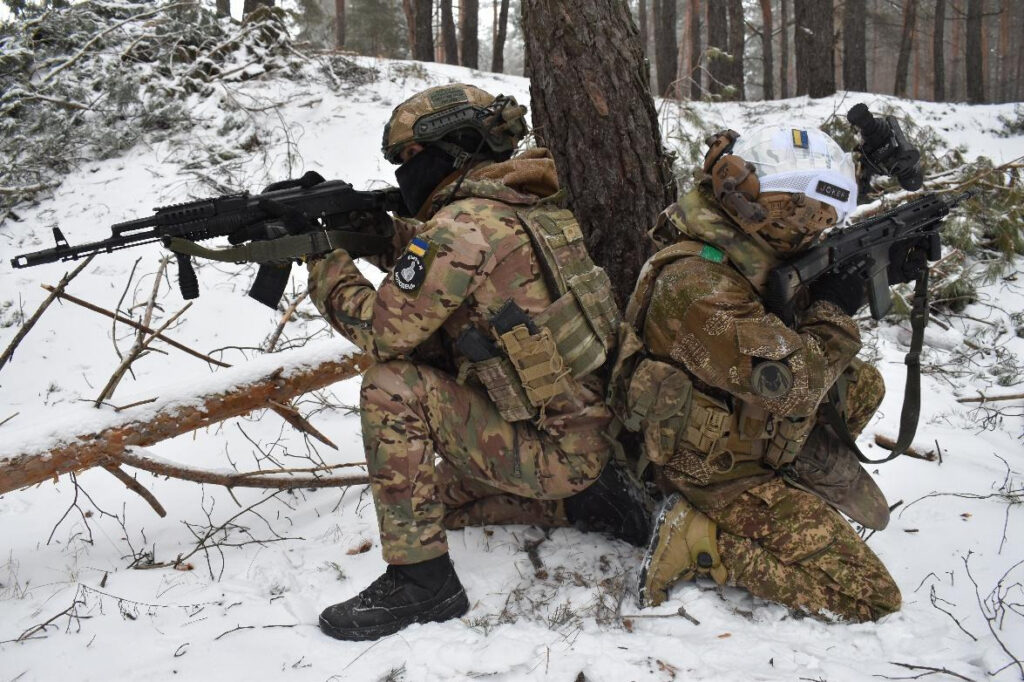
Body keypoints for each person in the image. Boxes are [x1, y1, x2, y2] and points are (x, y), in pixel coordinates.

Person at [307, 83, 647, 641]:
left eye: (411, 156)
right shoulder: (518, 206)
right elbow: (443, 265)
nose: (403, 171)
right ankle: (585, 503)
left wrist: (324, 261)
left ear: (455, 147)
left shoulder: (461, 227)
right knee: (437, 502)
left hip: (551, 448)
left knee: (390, 385)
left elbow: (381, 333)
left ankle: (423, 583)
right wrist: (378, 235)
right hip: (588, 435)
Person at [610, 126, 904, 622]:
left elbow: (783, 318)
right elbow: (799, 387)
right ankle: (700, 537)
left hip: (740, 425)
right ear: (777, 209)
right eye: (810, 219)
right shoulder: (698, 283)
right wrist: (834, 308)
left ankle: (782, 477)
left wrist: (884, 265)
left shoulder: (743, 248)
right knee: (872, 597)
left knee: (861, 385)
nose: (816, 230)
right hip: (707, 469)